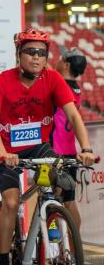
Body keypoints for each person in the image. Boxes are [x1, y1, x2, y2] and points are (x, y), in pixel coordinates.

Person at [0, 28, 95, 265]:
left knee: (61, 176)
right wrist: (1, 154)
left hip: (37, 146)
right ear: (18, 54)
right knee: (10, 202)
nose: (36, 57)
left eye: (41, 53)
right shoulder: (1, 81)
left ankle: (51, 216)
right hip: (7, 149)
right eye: (30, 52)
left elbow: (74, 115)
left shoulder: (53, 78)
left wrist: (86, 148)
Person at [51, 47, 89, 229]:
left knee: (53, 201)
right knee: (69, 202)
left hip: (54, 151)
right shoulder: (76, 88)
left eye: (60, 59)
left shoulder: (58, 84)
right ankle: (74, 254)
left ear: (66, 64)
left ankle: (54, 250)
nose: (56, 62)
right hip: (70, 152)